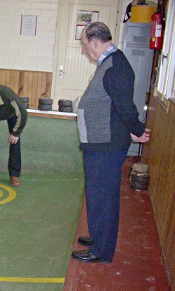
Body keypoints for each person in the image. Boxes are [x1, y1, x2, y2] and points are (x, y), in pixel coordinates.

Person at [71, 22, 150, 263]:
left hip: (106, 145)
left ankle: (102, 251)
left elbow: (125, 105)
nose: (84, 49)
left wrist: (136, 129)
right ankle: (99, 237)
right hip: (100, 143)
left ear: (95, 42)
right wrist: (130, 129)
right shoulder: (108, 63)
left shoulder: (116, 66)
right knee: (97, 194)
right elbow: (113, 104)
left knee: (103, 197)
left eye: (85, 44)